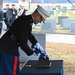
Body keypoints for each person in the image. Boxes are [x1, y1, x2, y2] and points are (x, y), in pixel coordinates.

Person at [0, 5, 50, 75]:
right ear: (37, 15)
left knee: (3, 71)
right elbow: (23, 44)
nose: (40, 21)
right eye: (41, 19)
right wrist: (33, 53)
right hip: (9, 49)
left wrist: (36, 43)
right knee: (13, 71)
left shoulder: (25, 19)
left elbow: (28, 34)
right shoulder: (26, 23)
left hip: (4, 45)